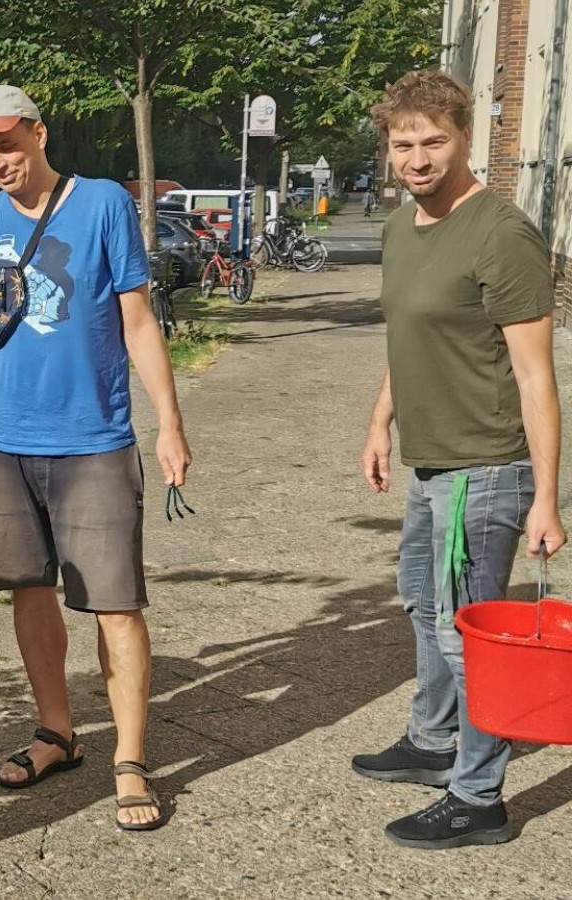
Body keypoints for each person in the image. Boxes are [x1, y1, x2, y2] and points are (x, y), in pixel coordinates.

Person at [0, 84, 192, 831]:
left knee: (116, 604)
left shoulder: (103, 205)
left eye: (7, 145)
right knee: (29, 591)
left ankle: (131, 759)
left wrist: (170, 424)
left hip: (92, 441)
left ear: (40, 134)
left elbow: (139, 324)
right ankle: (58, 732)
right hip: (4, 442)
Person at [354, 69, 565, 849]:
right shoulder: (402, 226)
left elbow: (537, 376)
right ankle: (433, 740)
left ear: (466, 136)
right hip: (430, 460)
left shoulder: (502, 233)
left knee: (465, 633)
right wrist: (381, 423)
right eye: (403, 143)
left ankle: (479, 797)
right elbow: (406, 340)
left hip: (486, 467)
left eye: (433, 141)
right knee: (420, 602)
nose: (417, 157)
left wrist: (547, 497)